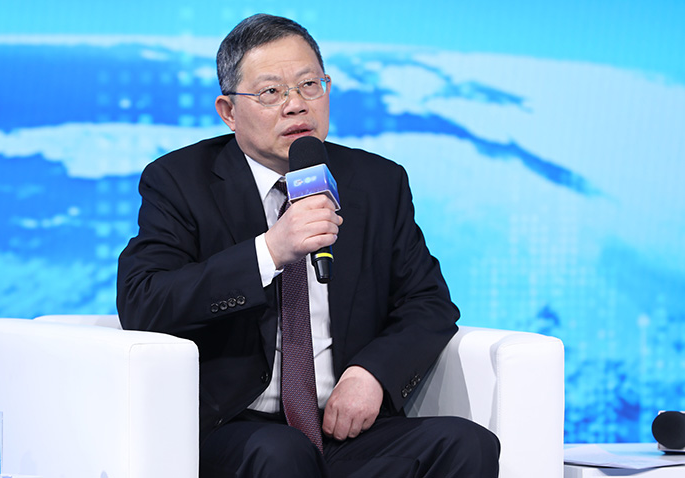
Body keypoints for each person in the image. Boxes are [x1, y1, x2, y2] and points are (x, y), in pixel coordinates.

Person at [117, 13, 500, 478]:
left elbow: (428, 303)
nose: (296, 105)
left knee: (467, 444)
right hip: (235, 428)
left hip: (345, 428)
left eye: (309, 85)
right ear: (228, 111)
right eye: (271, 92)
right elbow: (144, 301)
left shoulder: (377, 182)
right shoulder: (180, 181)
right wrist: (269, 251)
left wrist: (373, 374)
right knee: (282, 453)